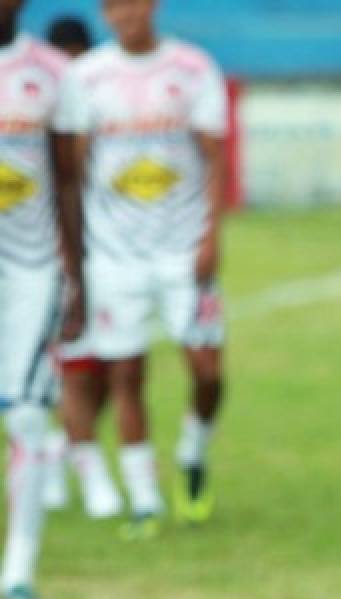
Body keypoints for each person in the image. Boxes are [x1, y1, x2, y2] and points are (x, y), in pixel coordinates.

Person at [56, 0, 228, 538]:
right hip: (113, 255)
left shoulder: (192, 69)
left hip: (182, 250)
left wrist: (210, 234)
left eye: (131, 4)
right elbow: (71, 168)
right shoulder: (86, 78)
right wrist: (75, 252)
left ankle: (193, 452)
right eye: (111, 7)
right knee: (125, 373)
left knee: (207, 371)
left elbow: (215, 157)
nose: (122, 14)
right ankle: (145, 499)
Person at [0, 0, 77, 599]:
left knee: (25, 418)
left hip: (32, 273)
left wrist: (79, 275)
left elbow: (70, 178)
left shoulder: (51, 72)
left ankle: (18, 574)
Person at [39, 12, 124, 519]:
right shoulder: (38, 109)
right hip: (52, 255)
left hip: (112, 252)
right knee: (70, 366)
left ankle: (60, 450)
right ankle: (92, 474)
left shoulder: (95, 105)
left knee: (114, 366)